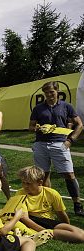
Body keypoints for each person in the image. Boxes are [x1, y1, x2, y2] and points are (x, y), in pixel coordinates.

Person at [29, 81, 84, 216]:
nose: (49, 95)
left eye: (52, 92)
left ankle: (77, 205)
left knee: (69, 174)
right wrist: (36, 128)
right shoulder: (38, 108)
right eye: (46, 92)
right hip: (41, 144)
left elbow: (80, 125)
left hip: (60, 144)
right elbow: (31, 126)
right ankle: (49, 204)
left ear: (57, 92)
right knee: (43, 175)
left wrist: (70, 140)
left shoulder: (66, 106)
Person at [15, 166, 84, 243]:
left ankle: (51, 233)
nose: (25, 186)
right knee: (80, 237)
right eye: (23, 182)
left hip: (48, 222)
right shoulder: (20, 193)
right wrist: (45, 231)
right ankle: (48, 234)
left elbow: (61, 213)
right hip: (32, 221)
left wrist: (67, 226)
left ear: (40, 182)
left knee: (81, 233)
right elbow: (24, 218)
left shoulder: (51, 193)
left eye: (28, 183)